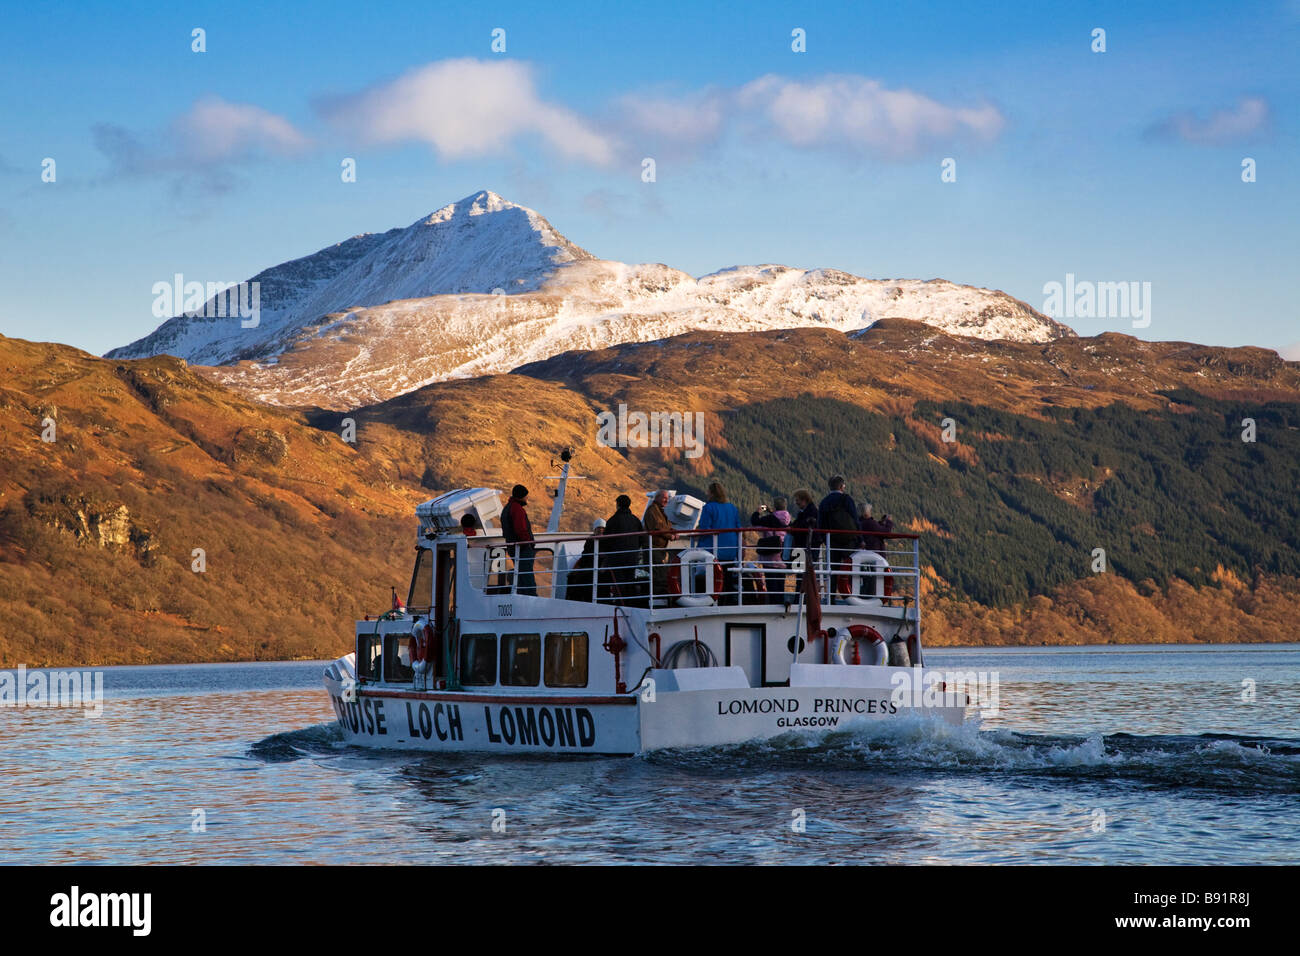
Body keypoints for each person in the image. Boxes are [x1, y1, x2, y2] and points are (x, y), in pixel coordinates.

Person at [695, 481, 741, 603]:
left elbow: (705, 529)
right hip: (731, 551)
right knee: (728, 579)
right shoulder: (732, 508)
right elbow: (738, 528)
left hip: (713, 551)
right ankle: (730, 602)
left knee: (712, 580)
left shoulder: (708, 508)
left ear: (711, 493)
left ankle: (713, 602)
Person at [817, 475, 861, 595]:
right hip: (848, 540)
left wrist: (823, 539)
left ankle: (831, 596)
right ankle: (852, 596)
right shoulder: (847, 500)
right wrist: (860, 538)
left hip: (832, 540)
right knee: (850, 569)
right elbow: (855, 520)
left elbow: (820, 523)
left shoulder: (824, 502)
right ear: (842, 487)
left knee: (832, 570)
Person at [604, 494, 648, 605]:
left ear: (618, 505)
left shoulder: (613, 521)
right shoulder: (635, 521)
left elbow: (605, 540)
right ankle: (631, 603)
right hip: (632, 557)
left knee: (619, 582)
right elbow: (643, 538)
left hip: (617, 558)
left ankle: (621, 603)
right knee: (630, 581)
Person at [751, 497, 790, 604]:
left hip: (769, 556)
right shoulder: (787, 518)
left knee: (771, 585)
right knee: (780, 585)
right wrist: (771, 512)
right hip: (783, 556)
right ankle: (781, 605)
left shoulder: (769, 519)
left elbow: (755, 523)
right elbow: (778, 519)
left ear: (775, 507)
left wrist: (757, 512)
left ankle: (774, 606)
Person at [501, 484, 536, 596]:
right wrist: (529, 543)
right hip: (522, 548)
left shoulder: (507, 508)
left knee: (521, 575)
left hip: (513, 547)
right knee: (527, 577)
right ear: (521, 496)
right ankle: (532, 599)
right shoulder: (517, 509)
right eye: (526, 495)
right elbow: (520, 529)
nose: (527, 498)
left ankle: (522, 595)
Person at [643, 490, 676, 599]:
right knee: (657, 575)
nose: (666, 500)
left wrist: (673, 531)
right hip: (654, 549)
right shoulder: (652, 511)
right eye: (664, 497)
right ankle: (657, 598)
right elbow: (657, 528)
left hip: (659, 549)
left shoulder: (659, 511)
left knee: (661, 574)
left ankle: (660, 597)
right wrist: (670, 536)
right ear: (657, 498)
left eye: (667, 498)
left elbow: (665, 526)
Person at [564, 519, 605, 602]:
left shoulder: (606, 541)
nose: (600, 530)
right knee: (572, 577)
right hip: (589, 566)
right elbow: (585, 555)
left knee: (583, 579)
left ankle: (576, 599)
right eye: (598, 528)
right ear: (594, 530)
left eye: (602, 528)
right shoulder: (590, 541)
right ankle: (571, 599)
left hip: (597, 567)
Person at [859, 503, 895, 598]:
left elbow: (875, 529)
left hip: (865, 555)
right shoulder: (870, 523)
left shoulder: (860, 522)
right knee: (874, 579)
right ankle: (872, 598)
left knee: (867, 579)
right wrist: (889, 522)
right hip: (875, 554)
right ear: (867, 513)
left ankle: (865, 596)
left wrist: (879, 523)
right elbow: (885, 533)